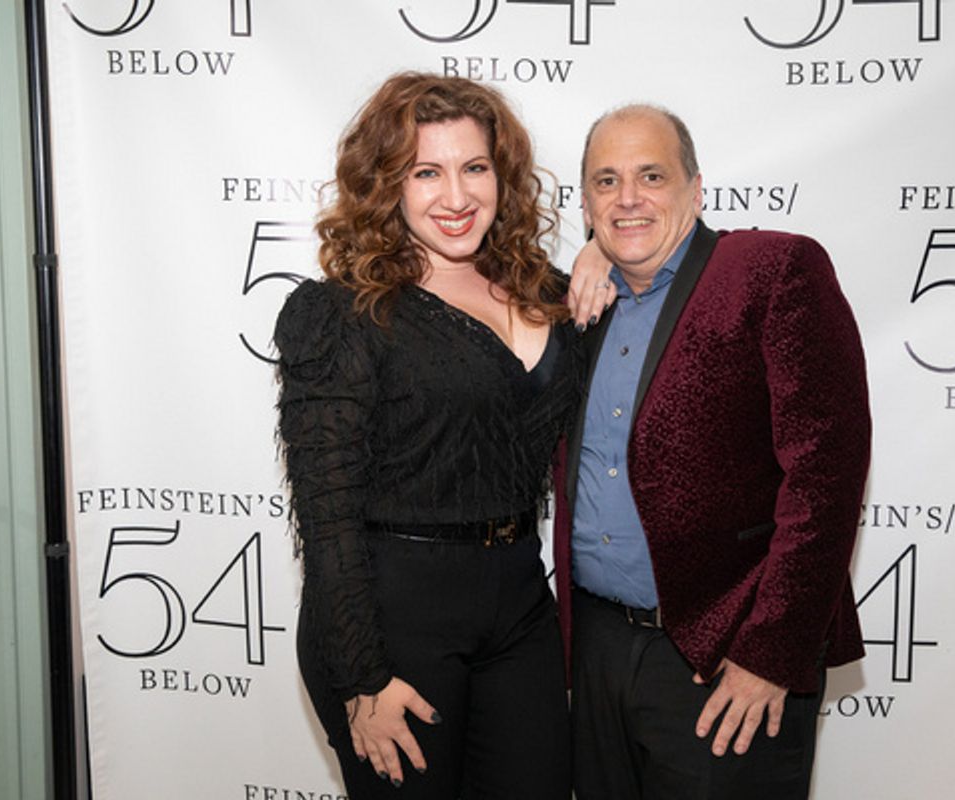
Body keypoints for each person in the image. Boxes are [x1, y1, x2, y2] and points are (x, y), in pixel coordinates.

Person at [275, 72, 586, 799]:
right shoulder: (345, 313)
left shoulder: (550, 293)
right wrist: (362, 677)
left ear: (501, 176)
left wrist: (602, 254)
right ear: (387, 183)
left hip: (519, 609)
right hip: (393, 621)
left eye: (474, 167)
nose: (456, 196)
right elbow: (326, 514)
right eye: (426, 172)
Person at [554, 104, 872, 799]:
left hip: (726, 654)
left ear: (696, 190)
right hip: (597, 649)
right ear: (585, 203)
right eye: (606, 181)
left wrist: (771, 653)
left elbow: (826, 476)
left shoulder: (772, 270)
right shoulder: (578, 305)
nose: (628, 198)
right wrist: (594, 251)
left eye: (651, 176)